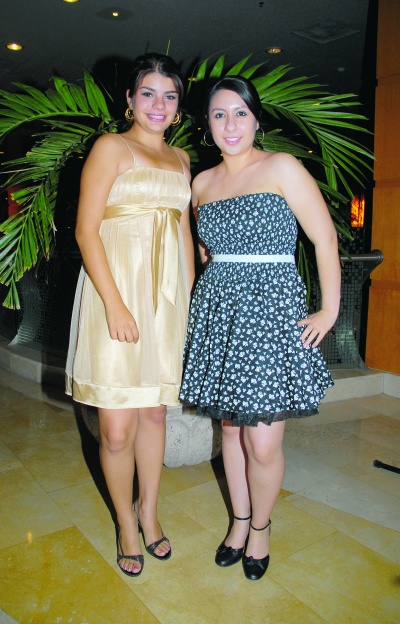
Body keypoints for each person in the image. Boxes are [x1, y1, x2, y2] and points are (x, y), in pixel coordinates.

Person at [179, 76, 341, 581]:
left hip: (271, 317)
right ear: (207, 125)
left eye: (240, 113)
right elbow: (206, 256)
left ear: (256, 119)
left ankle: (261, 529)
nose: (230, 124)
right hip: (222, 314)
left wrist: (329, 310)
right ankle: (238, 522)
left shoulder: (281, 167)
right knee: (230, 429)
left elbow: (324, 237)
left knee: (263, 443)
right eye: (219, 114)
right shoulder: (201, 184)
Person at [66, 53, 194, 577]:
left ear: (178, 106)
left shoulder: (181, 158)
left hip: (166, 301)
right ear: (129, 99)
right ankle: (124, 522)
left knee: (155, 413)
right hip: (113, 295)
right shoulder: (110, 148)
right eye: (148, 93)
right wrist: (115, 305)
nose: (158, 105)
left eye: (169, 95)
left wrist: (191, 301)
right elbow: (85, 230)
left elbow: (183, 234)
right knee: (116, 429)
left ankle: (149, 511)